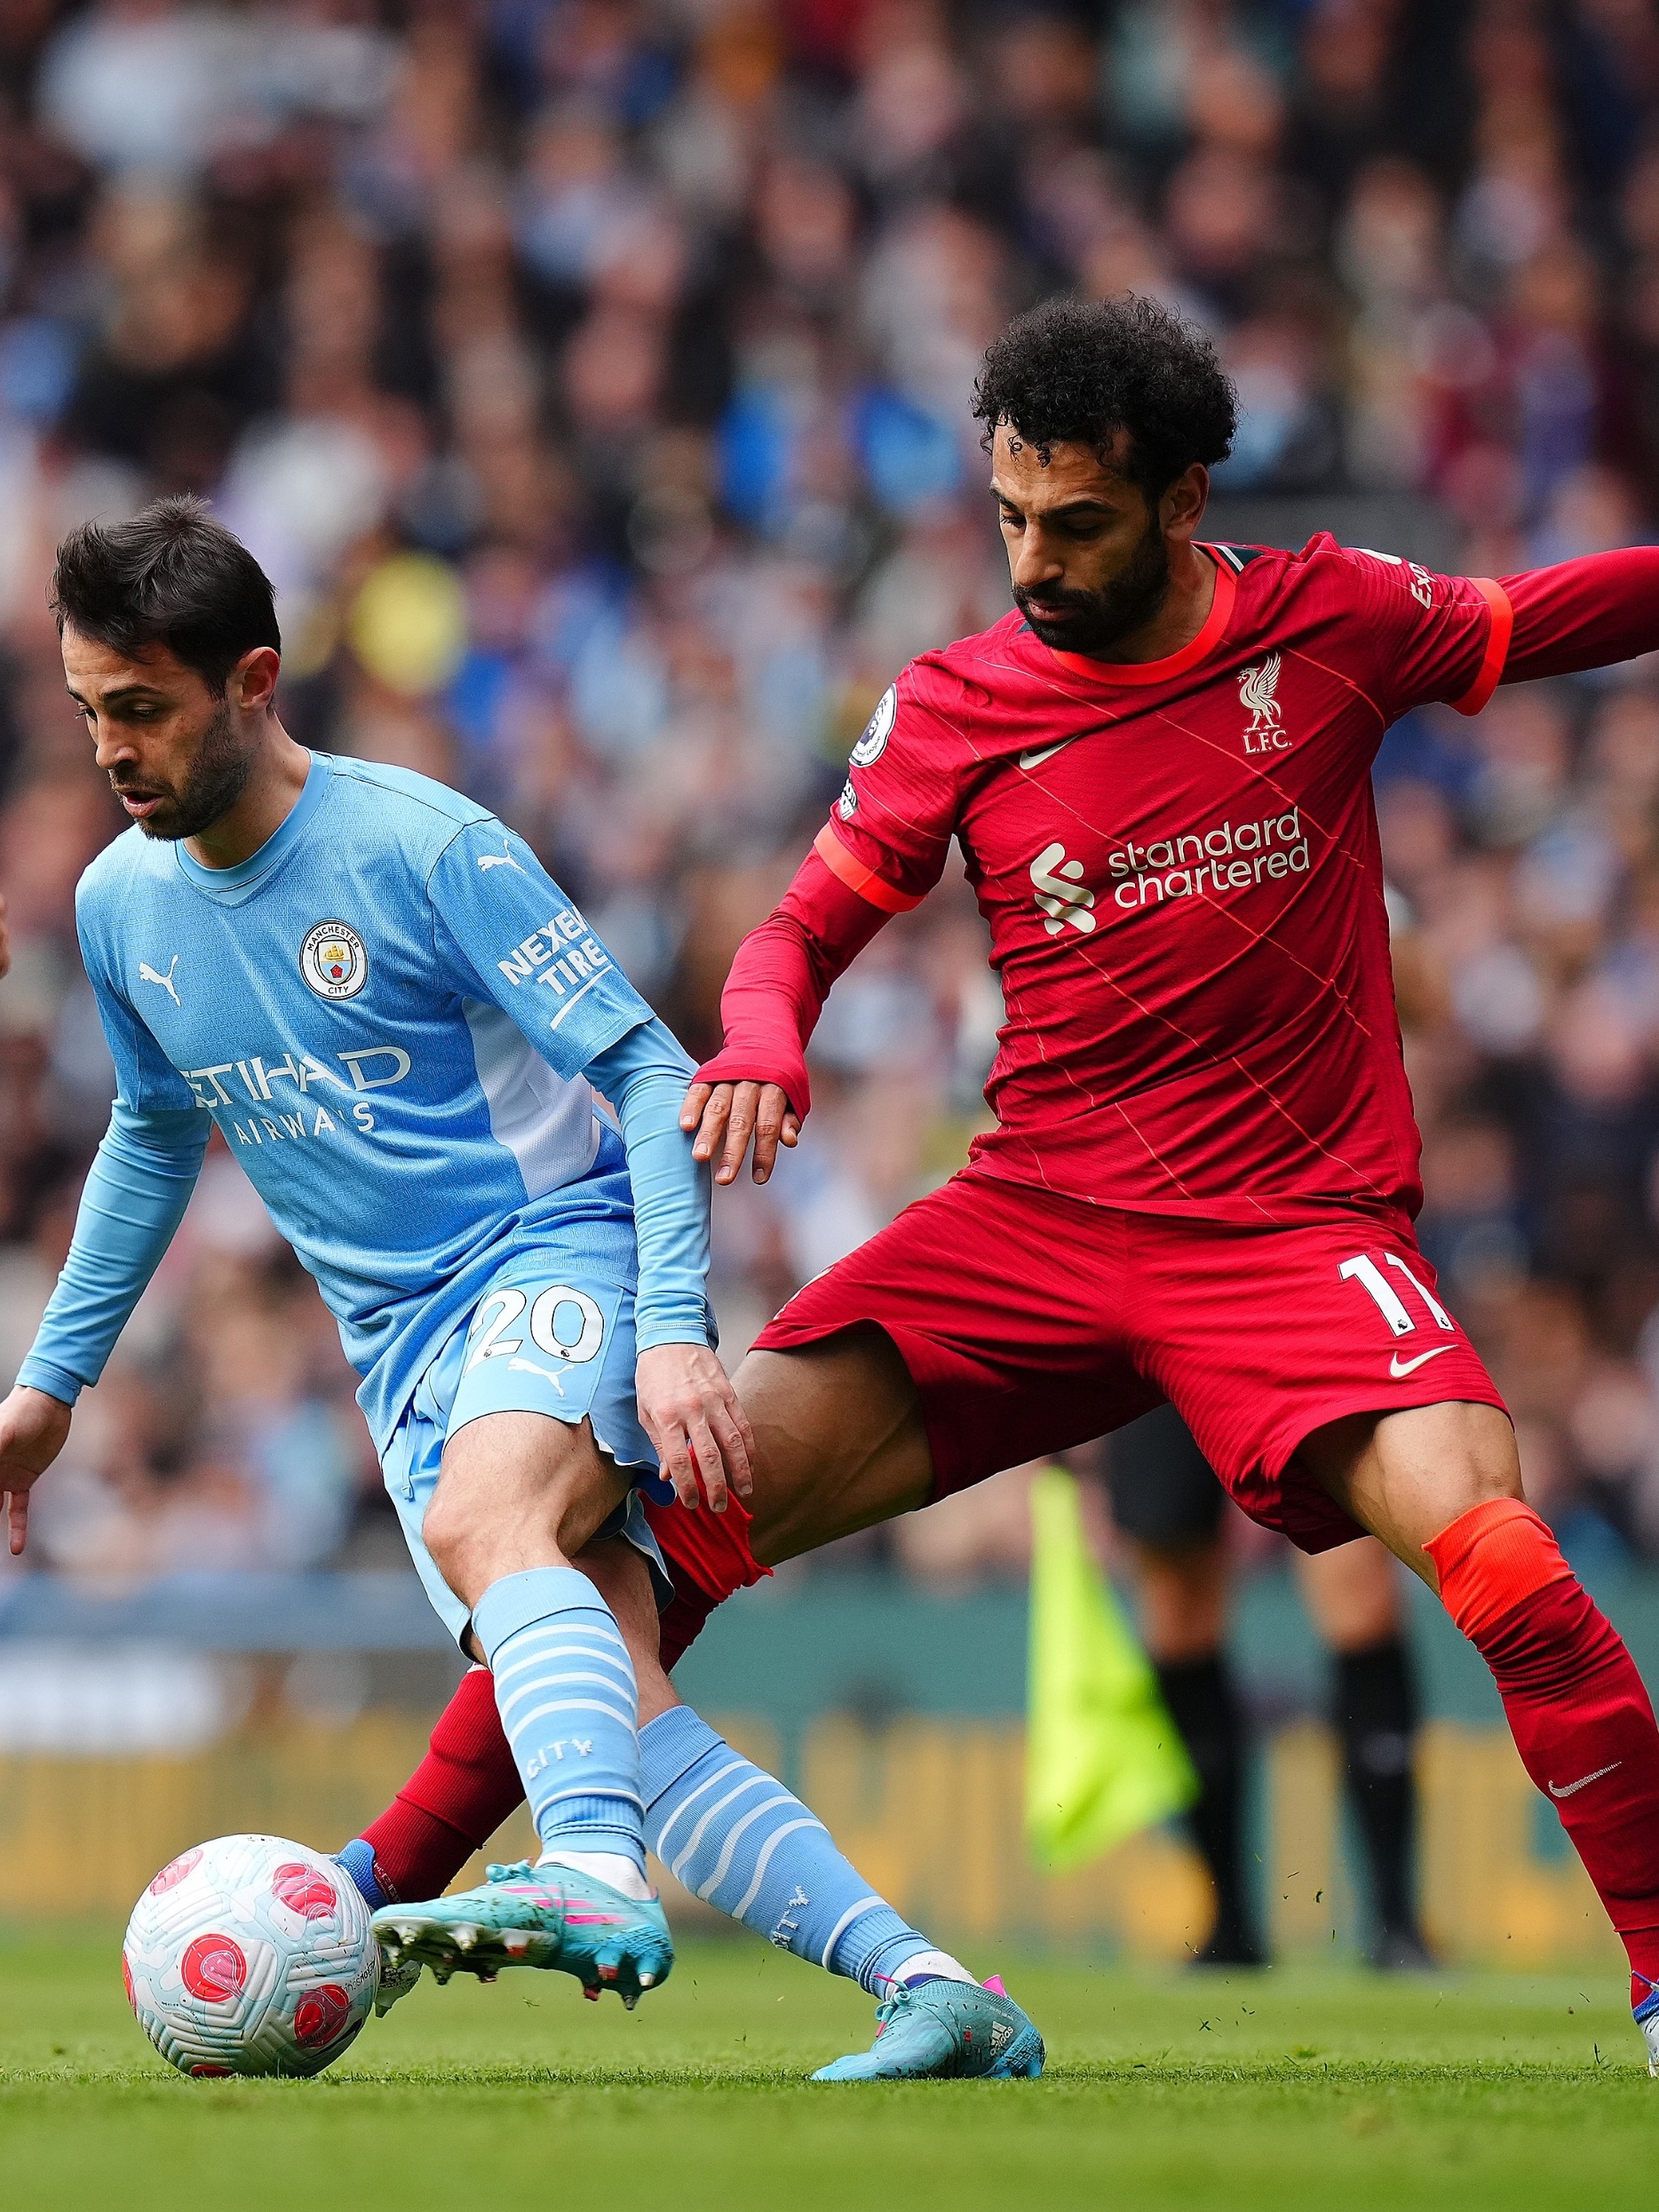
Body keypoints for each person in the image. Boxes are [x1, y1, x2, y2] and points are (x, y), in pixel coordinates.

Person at [375, 293, 1659, 2068]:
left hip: (1287, 1236)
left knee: (1498, 1553)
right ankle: (366, 1904)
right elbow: (795, 933)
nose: (1032, 562)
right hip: (1036, 1227)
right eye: (1008, 521)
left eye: (1076, 524)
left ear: (1185, 497)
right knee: (636, 1537)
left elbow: (1540, 614)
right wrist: (764, 1039)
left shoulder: (1335, 619)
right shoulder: (958, 703)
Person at [0, 498, 1043, 2081]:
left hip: (553, 1252)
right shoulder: (118, 908)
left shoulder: (425, 846)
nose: (112, 749)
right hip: (399, 1347)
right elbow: (152, 1142)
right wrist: (49, 1392)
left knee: (489, 1528)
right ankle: (929, 1986)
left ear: (254, 681)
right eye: (89, 713)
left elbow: (641, 1066)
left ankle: (591, 1872)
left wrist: (676, 1328)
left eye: (141, 709)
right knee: (616, 1710)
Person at [1104, 1406, 1432, 1969]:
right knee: (1176, 1612)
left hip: (1295, 1331)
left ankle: (1396, 1922)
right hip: (1155, 1351)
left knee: (1357, 1581)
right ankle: (1228, 1922)